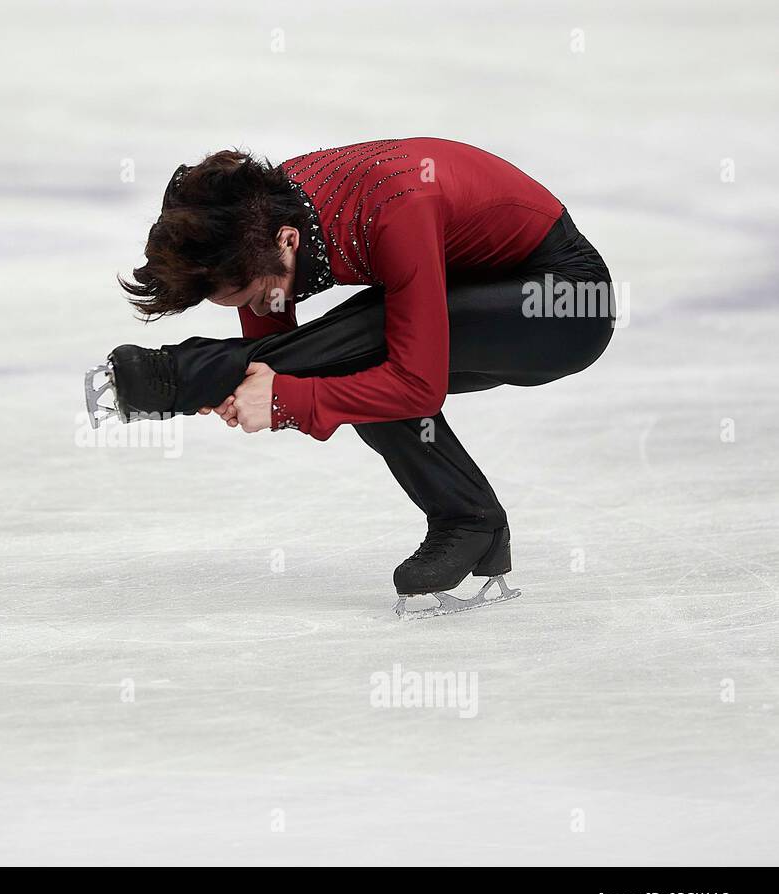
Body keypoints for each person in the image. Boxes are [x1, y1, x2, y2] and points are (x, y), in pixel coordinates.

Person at [112, 138, 616, 612]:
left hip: (565, 304)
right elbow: (278, 355)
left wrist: (281, 397)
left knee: (371, 338)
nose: (258, 308)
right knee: (351, 357)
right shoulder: (264, 218)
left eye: (251, 297)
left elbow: (416, 386)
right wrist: (244, 381)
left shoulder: (396, 208)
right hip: (478, 285)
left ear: (287, 242)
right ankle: (471, 522)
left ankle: (182, 371)